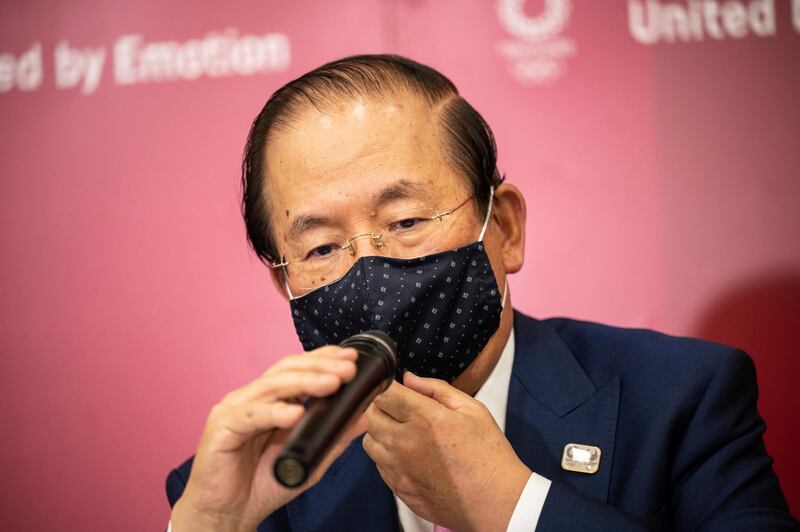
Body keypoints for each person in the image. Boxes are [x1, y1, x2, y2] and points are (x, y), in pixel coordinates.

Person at [165, 55, 797, 531]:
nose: (370, 270)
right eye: (322, 248)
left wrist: (514, 507)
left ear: (504, 227)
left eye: (406, 222)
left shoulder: (681, 399)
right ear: (285, 279)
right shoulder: (252, 482)